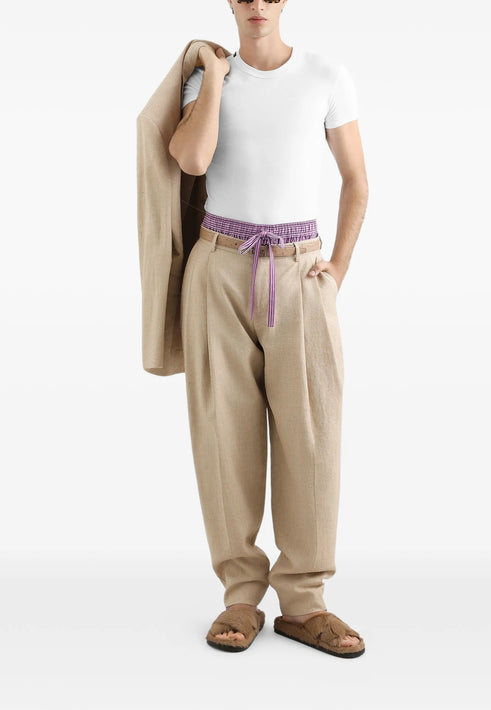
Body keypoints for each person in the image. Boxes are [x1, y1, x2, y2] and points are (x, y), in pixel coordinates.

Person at [169, 0, 369, 657]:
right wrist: (212, 75)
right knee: (222, 432)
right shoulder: (207, 79)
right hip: (219, 267)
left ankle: (305, 602)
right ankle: (240, 597)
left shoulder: (324, 75)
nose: (257, 4)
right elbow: (191, 159)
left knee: (313, 433)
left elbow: (356, 180)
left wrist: (338, 267)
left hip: (299, 269)